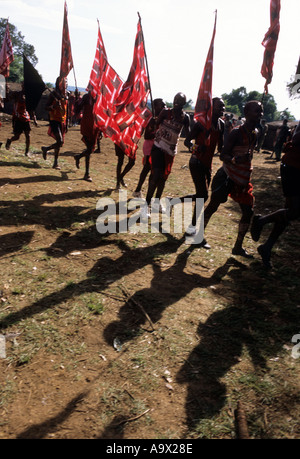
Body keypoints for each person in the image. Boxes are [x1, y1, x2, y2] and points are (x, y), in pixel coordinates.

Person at [202, 100, 264, 257]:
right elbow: (223, 155)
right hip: (227, 176)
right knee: (213, 206)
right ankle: (197, 235)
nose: (260, 114)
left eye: (261, 111)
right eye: (257, 111)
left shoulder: (255, 133)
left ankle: (237, 247)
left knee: (248, 211)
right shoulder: (236, 132)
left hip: (242, 180)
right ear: (246, 113)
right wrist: (236, 160)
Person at [251, 121, 300, 269]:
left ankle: (267, 247)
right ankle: (261, 221)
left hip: (295, 166)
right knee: (294, 212)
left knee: (287, 213)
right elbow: (297, 139)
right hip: (294, 167)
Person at [142, 92, 191, 218]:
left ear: (183, 104)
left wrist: (191, 144)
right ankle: (145, 206)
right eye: (175, 99)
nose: (176, 102)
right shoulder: (165, 112)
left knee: (163, 178)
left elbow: (188, 136)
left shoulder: (185, 118)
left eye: (180, 101)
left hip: (170, 151)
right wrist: (153, 122)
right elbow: (155, 125)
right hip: (158, 146)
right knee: (156, 175)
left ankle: (156, 203)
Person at [182, 97, 225, 238]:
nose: (222, 109)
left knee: (201, 195)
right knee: (203, 195)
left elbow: (221, 146)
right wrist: (196, 147)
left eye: (223, 107)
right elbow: (187, 142)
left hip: (208, 164)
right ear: (211, 107)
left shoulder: (221, 124)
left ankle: (175, 201)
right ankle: (192, 228)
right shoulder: (200, 123)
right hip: (196, 162)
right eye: (220, 106)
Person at [132, 98, 166, 198]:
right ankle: (138, 190)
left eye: (164, 105)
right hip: (149, 146)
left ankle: (144, 192)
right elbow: (147, 135)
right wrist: (157, 134)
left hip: (156, 146)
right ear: (155, 107)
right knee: (147, 168)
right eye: (162, 105)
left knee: (153, 171)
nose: (164, 107)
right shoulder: (152, 119)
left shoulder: (162, 118)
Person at [41, 77, 68, 170]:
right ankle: (46, 149)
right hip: (54, 120)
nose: (66, 84)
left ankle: (55, 162)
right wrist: (54, 106)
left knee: (59, 142)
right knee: (60, 141)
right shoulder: (53, 94)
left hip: (62, 120)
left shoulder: (66, 94)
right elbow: (46, 107)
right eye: (64, 82)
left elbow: (66, 110)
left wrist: (67, 123)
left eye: (67, 82)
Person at [74, 91, 100, 182]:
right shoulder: (86, 97)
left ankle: (78, 157)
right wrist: (77, 100)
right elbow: (77, 109)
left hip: (95, 127)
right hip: (86, 125)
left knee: (91, 149)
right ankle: (87, 173)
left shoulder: (99, 98)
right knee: (89, 148)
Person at [5, 84, 31, 156]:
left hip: (26, 117)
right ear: (22, 86)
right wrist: (7, 91)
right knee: (17, 136)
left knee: (28, 135)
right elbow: (7, 100)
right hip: (18, 117)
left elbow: (31, 107)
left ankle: (26, 151)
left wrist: (34, 118)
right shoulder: (17, 94)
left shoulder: (29, 96)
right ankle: (10, 140)